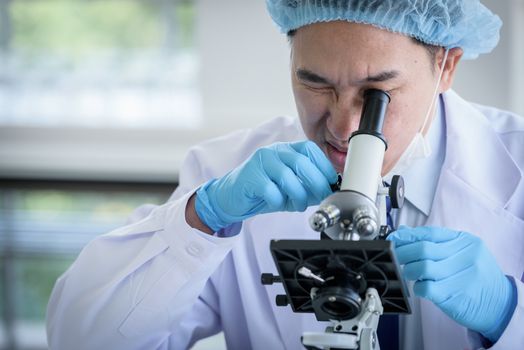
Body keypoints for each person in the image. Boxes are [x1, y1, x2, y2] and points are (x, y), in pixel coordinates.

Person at [46, 1, 524, 349]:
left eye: (376, 92)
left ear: (447, 66)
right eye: (314, 84)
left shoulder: (517, 165)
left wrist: (508, 314)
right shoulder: (225, 170)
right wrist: (202, 218)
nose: (342, 126)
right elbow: (82, 338)